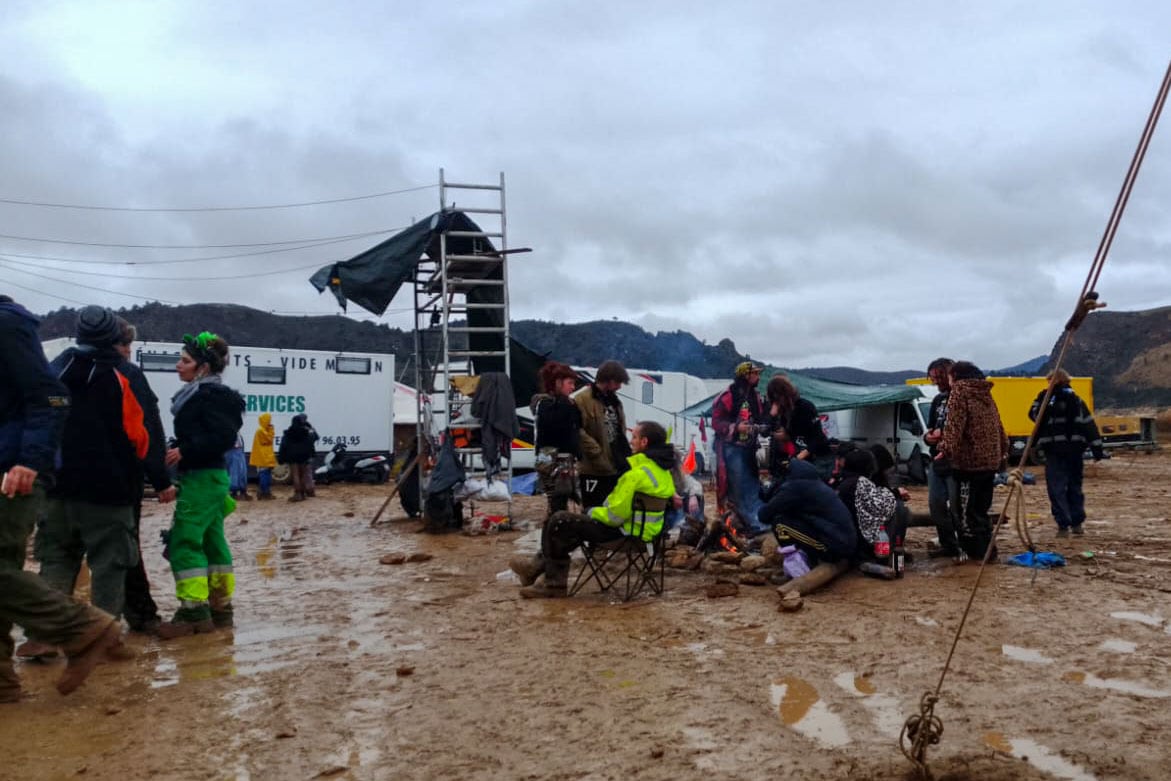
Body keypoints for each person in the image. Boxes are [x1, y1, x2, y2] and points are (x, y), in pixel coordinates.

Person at [1, 295, 126, 701]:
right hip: (32, 470)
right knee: (12, 566)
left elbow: (51, 397)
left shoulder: (8, 325)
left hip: (17, 469)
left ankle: (87, 628)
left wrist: (30, 459)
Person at [31, 307, 152, 642]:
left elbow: (40, 418)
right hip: (108, 490)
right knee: (109, 564)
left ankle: (41, 638)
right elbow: (138, 438)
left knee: (55, 560)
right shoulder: (121, 377)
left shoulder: (54, 370)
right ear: (114, 337)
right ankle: (101, 638)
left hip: (56, 487)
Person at [510, 421, 677, 599]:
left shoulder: (636, 475)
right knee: (572, 525)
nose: (630, 441)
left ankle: (552, 582)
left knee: (559, 520)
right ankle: (536, 569)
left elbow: (614, 516)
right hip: (648, 537)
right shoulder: (664, 474)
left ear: (644, 442)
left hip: (623, 535)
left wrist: (591, 512)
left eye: (634, 437)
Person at [158, 331, 245, 638]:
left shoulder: (210, 397)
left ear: (203, 367)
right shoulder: (207, 395)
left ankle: (193, 611)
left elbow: (222, 436)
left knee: (184, 541)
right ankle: (221, 608)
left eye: (185, 361)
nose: (178, 366)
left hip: (201, 477)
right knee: (211, 541)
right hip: (208, 477)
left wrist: (185, 449)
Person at [111, 317, 177, 635]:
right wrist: (161, 479)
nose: (128, 351)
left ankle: (49, 631)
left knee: (62, 554)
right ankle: (136, 618)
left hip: (62, 481)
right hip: (119, 479)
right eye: (127, 345)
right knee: (124, 547)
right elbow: (147, 429)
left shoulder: (64, 365)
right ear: (119, 345)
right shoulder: (129, 375)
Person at [936, 361, 1008, 562]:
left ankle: (978, 553)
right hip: (989, 461)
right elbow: (998, 425)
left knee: (966, 512)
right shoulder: (985, 393)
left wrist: (945, 449)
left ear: (956, 376)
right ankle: (988, 549)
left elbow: (955, 425)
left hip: (969, 463)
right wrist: (1003, 451)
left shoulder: (960, 392)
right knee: (981, 510)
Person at [1029, 369, 1105, 537]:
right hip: (1070, 451)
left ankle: (1066, 525)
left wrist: (1097, 447)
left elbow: (1034, 416)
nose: (1048, 384)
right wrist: (1096, 447)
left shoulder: (1066, 400)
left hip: (1058, 451)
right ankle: (1074, 523)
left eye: (1050, 381)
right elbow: (1089, 425)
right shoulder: (1063, 400)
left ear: (1054, 381)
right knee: (1072, 487)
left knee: (1059, 488)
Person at [758, 458, 857, 566]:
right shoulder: (815, 483)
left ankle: (798, 566)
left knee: (780, 524)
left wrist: (774, 489)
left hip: (835, 547)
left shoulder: (795, 487)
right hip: (843, 542)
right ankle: (809, 560)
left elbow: (764, 515)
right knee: (789, 518)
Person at [711, 361, 767, 534]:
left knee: (752, 484)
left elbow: (760, 418)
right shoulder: (728, 395)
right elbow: (716, 422)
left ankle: (754, 521)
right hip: (731, 449)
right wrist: (736, 428)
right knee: (736, 487)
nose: (758, 377)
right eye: (755, 373)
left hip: (748, 449)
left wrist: (763, 425)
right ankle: (738, 524)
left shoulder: (756, 396)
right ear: (746, 375)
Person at [575, 360, 632, 509]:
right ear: (609, 380)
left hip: (616, 465)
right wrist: (596, 451)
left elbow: (620, 429)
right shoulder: (583, 399)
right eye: (618, 382)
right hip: (593, 469)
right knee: (593, 509)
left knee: (612, 508)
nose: (620, 386)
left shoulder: (615, 401)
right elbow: (577, 430)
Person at [530, 361, 582, 520]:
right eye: (570, 383)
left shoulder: (556, 404)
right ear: (557, 383)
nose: (573, 387)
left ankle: (554, 535)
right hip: (553, 463)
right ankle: (554, 538)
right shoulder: (547, 405)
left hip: (557, 460)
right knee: (557, 504)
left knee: (558, 503)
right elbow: (559, 431)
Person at [836, 448, 906, 564]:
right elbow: (883, 507)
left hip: (849, 535)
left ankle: (890, 553)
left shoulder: (844, 480)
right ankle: (887, 555)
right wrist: (896, 494)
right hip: (860, 540)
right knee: (898, 508)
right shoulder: (860, 482)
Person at [922, 358, 960, 558]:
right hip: (936, 460)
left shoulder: (962, 396)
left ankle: (964, 544)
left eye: (939, 377)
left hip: (957, 462)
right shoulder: (938, 400)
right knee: (936, 505)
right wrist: (928, 437)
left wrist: (944, 437)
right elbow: (929, 430)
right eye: (933, 378)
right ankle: (948, 544)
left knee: (957, 507)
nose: (937, 382)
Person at [764, 375, 833, 481]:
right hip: (803, 456)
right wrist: (772, 416)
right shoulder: (784, 412)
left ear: (784, 394)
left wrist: (801, 455)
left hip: (820, 455)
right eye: (774, 399)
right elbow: (781, 434)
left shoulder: (805, 407)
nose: (777, 402)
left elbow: (818, 436)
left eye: (777, 398)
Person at [278, 413, 318, 502]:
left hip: (292, 457)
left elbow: (283, 445)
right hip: (304, 456)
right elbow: (312, 440)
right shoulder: (305, 432)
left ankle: (297, 493)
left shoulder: (288, 433)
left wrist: (281, 458)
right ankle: (303, 493)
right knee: (303, 475)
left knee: (295, 475)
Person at [249, 412, 277, 500]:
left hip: (265, 456)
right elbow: (269, 440)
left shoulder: (262, 430)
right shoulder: (261, 430)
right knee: (264, 476)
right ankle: (264, 493)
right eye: (269, 420)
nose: (270, 422)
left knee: (266, 475)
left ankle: (265, 492)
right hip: (263, 457)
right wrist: (272, 429)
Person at [226, 433, 251, 501]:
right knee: (235, 473)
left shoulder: (237, 433)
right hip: (234, 452)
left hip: (238, 452)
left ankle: (242, 491)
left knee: (241, 472)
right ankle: (235, 493)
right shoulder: (230, 432)